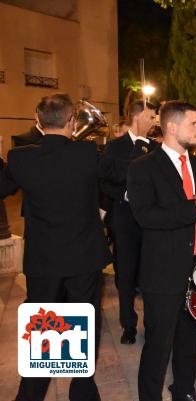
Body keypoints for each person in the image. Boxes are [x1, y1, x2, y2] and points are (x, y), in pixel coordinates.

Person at [1, 93, 111, 401]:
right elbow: (113, 182)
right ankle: (83, 391)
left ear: (37, 122)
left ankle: (30, 395)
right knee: (84, 326)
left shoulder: (21, 158)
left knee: (43, 332)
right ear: (72, 121)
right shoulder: (89, 154)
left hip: (43, 262)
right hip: (83, 259)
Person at [127, 101, 196, 401]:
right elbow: (146, 216)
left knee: (191, 339)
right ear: (171, 127)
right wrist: (192, 209)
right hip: (162, 271)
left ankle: (184, 389)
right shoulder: (143, 167)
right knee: (158, 343)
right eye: (194, 124)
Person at [99, 100, 159, 345]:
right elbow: (105, 179)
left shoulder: (157, 147)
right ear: (138, 116)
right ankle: (128, 324)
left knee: (152, 273)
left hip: (152, 222)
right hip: (124, 219)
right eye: (152, 116)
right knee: (125, 274)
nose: (155, 121)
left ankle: (153, 323)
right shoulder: (114, 147)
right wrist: (125, 193)